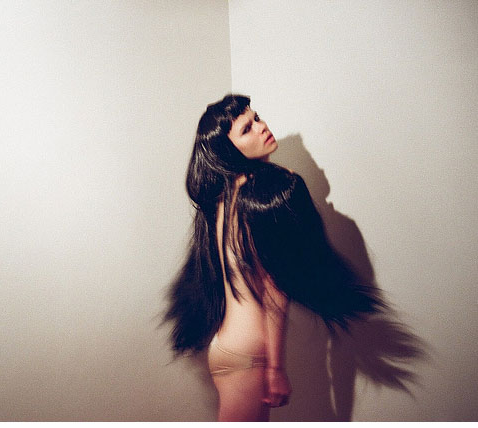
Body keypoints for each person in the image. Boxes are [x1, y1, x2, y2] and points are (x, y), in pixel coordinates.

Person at [164, 94, 382, 421]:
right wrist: (276, 368)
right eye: (246, 129)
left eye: (257, 118)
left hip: (229, 347)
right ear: (229, 150)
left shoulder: (224, 197)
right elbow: (273, 287)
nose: (262, 127)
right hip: (249, 357)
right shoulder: (265, 195)